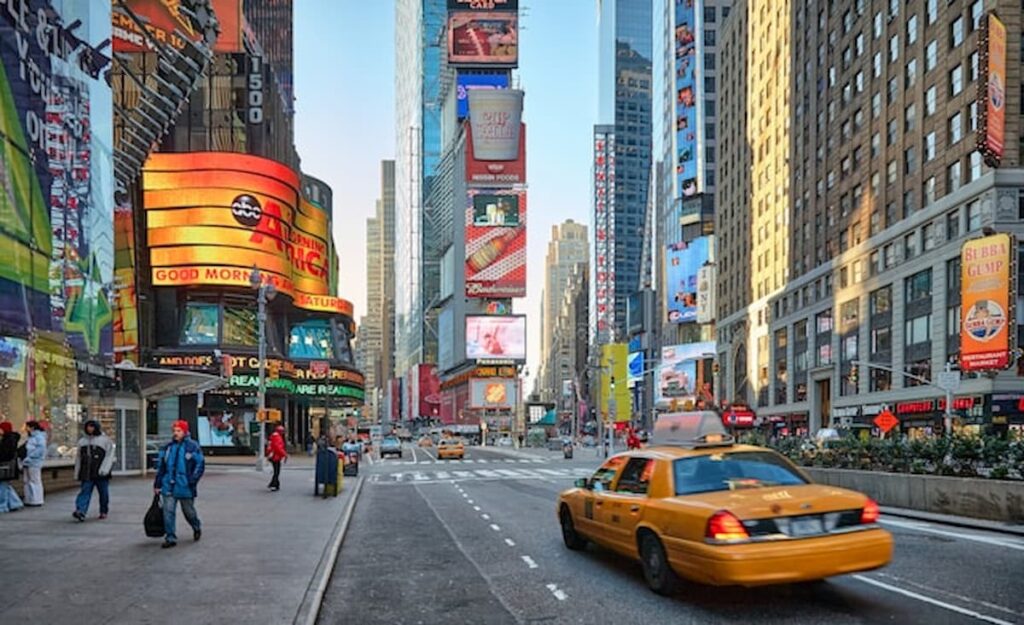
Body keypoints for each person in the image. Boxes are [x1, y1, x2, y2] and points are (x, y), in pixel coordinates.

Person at [153, 420, 205, 549]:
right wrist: (158, 484)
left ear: (184, 431)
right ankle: (170, 537)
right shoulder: (168, 447)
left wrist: (192, 480)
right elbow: (162, 467)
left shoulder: (192, 446)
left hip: (184, 485)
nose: (176, 433)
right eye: (174, 431)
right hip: (169, 485)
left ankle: (196, 526)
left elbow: (200, 464)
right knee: (168, 512)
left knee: (189, 511)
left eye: (178, 431)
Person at [73, 419, 115, 521]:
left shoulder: (105, 440)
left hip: (100, 473)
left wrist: (104, 469)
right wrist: (77, 472)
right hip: (86, 472)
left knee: (103, 493)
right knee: (85, 491)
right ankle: (81, 510)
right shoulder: (82, 442)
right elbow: (78, 458)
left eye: (92, 426)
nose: (90, 429)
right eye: (88, 426)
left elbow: (109, 456)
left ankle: (103, 510)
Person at [21, 421, 47, 506]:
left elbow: (40, 449)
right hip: (27, 462)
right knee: (27, 481)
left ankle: (36, 499)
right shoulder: (31, 437)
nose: (26, 429)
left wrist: (30, 457)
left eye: (27, 427)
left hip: (34, 462)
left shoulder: (39, 437)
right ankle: (29, 499)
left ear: (31, 427)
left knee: (34, 481)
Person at [0, 422, 24, 513]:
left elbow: (5, 454)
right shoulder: (10, 439)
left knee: (2, 487)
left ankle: (2, 506)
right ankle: (15, 503)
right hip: (9, 468)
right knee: (6, 486)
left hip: (5, 467)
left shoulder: (8, 440)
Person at [265, 425, 287, 491]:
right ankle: (274, 484)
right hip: (276, 457)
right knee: (277, 471)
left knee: (276, 471)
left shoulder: (273, 436)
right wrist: (284, 454)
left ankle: (275, 484)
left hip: (274, 456)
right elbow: (278, 448)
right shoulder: (277, 437)